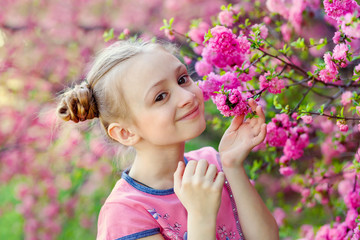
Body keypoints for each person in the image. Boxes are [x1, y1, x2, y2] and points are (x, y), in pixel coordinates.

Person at [57, 40, 279, 240]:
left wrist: (232, 165)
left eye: (182, 79)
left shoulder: (212, 164)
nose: (188, 96)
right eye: (160, 97)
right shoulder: (126, 213)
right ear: (125, 133)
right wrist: (200, 217)